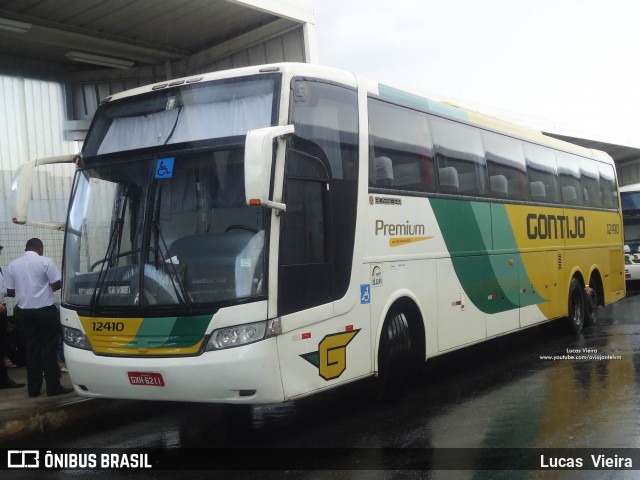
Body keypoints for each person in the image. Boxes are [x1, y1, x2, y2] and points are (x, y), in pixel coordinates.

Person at [5, 238, 72, 397]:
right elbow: (56, 285)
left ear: (26, 248)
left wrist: (24, 290)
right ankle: (53, 387)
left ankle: (33, 390)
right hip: (45, 311)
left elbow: (10, 292)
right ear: (39, 249)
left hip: (24, 313)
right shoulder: (45, 261)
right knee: (49, 349)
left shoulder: (13, 265)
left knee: (31, 349)